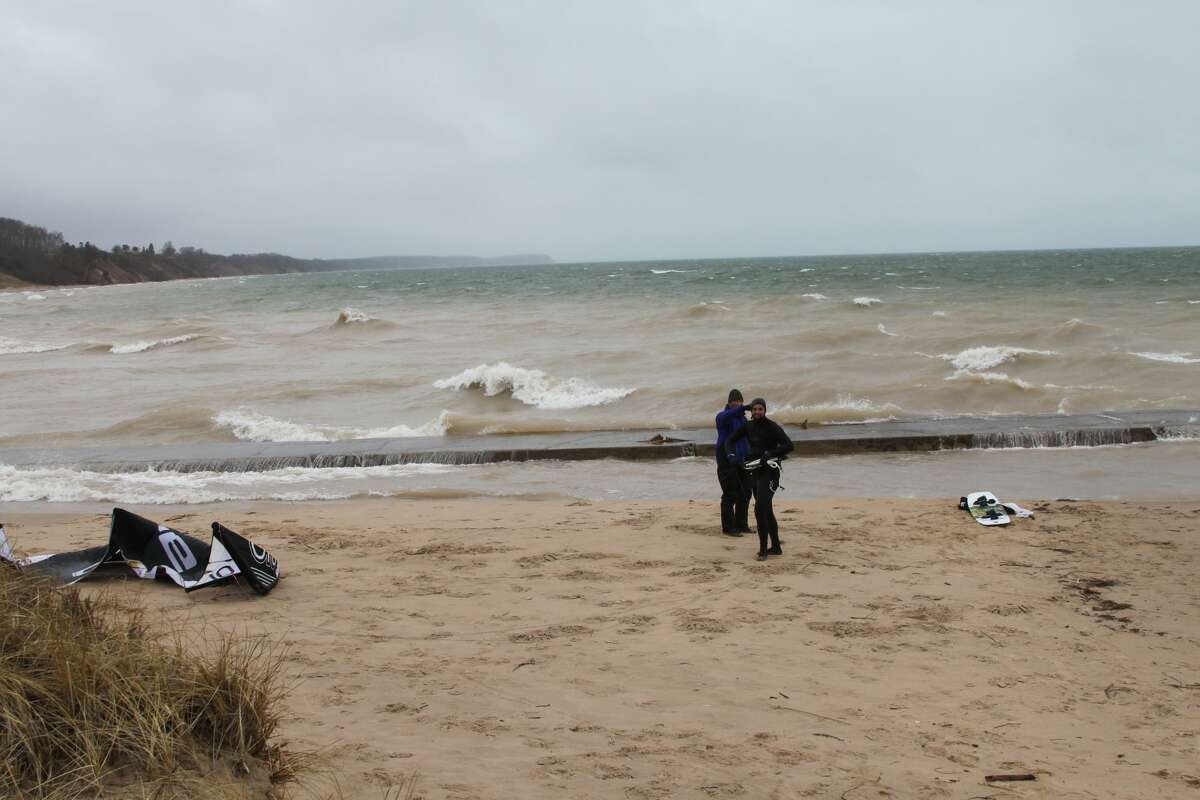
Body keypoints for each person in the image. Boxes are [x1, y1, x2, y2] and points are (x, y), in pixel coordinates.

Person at [724, 397, 793, 560]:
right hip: (755, 472)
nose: (757, 412)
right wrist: (732, 456)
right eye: (754, 409)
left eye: (760, 409)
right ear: (751, 411)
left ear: (765, 410)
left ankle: (763, 551)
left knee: (759, 508)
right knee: (766, 510)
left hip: (770, 473)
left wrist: (770, 453)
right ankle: (775, 547)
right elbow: (729, 441)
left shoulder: (772, 427)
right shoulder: (748, 426)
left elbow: (789, 446)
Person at [714, 389, 751, 535]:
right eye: (735, 401)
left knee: (745, 494)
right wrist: (742, 408)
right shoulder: (722, 417)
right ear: (729, 403)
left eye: (740, 401)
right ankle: (728, 528)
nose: (738, 403)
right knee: (730, 494)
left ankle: (742, 524)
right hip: (726, 462)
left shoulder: (743, 419)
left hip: (743, 461)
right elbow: (726, 415)